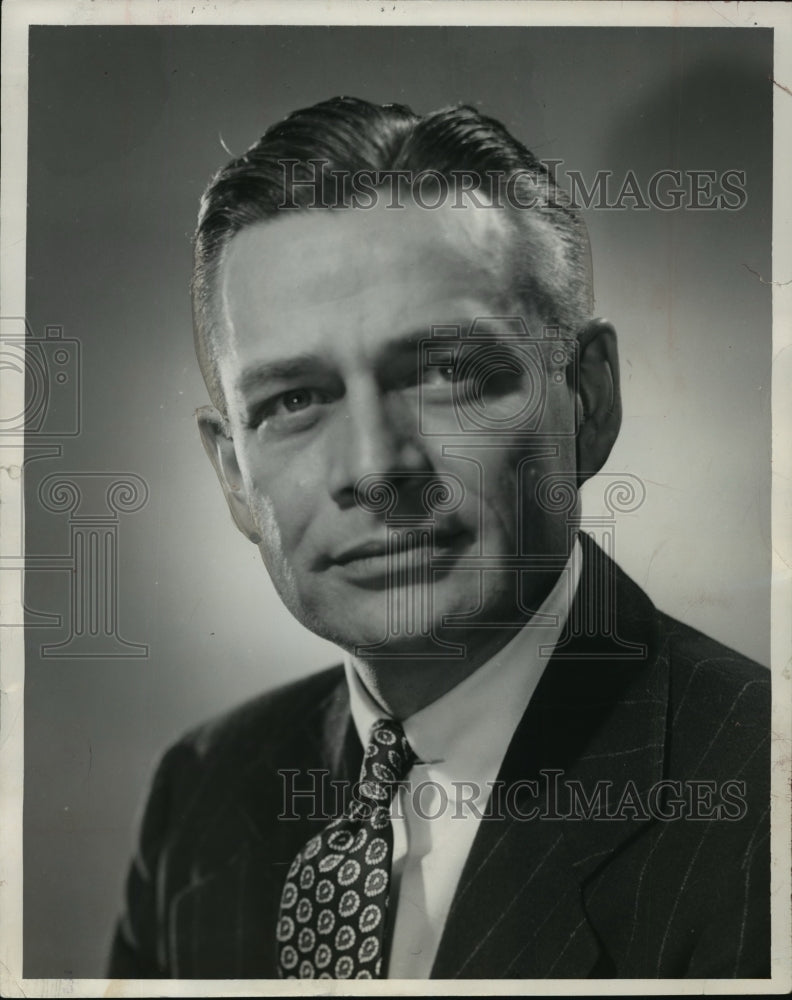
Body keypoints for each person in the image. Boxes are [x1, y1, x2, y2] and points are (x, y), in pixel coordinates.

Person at [108, 97, 770, 980]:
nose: (377, 466)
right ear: (234, 474)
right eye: (293, 401)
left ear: (589, 400)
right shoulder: (202, 792)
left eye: (450, 372)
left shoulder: (765, 800)